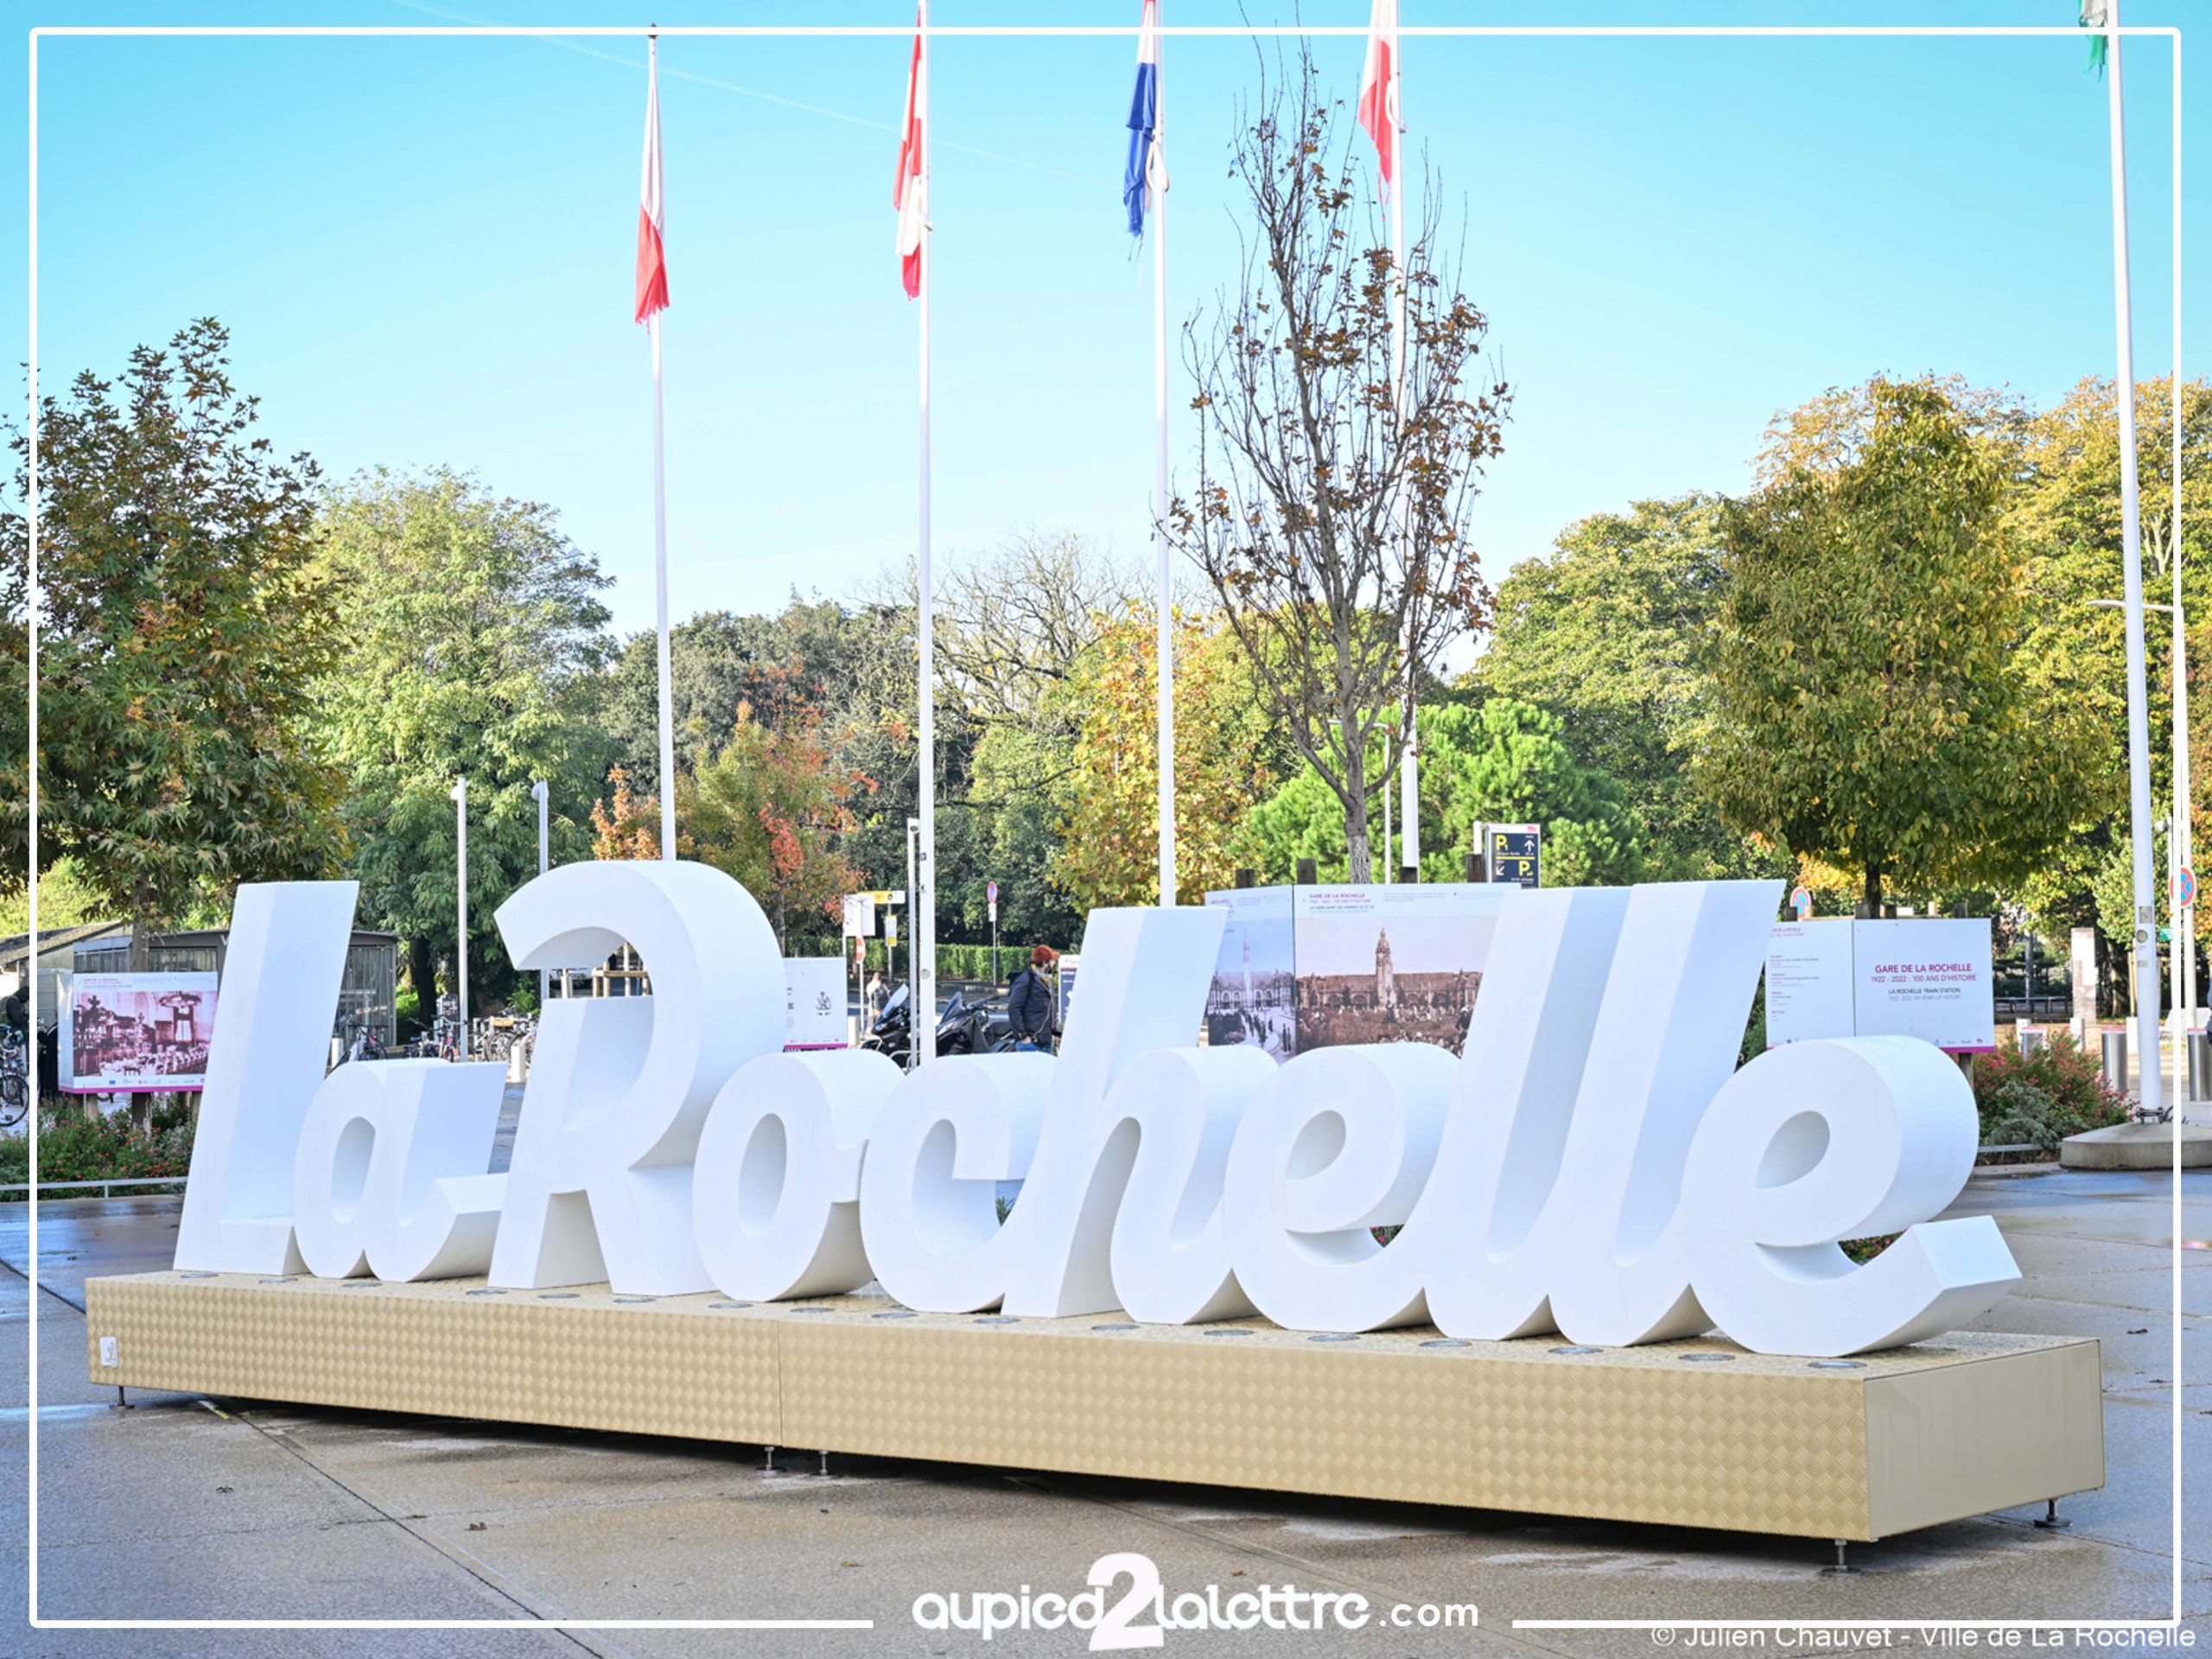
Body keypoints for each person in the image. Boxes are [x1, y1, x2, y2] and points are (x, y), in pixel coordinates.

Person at [1007, 945, 1058, 1051]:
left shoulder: (1045, 980)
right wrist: (1023, 1036)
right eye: (1053, 960)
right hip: (1031, 1044)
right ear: (1045, 963)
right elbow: (1014, 1007)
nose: (1055, 963)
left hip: (1045, 1042)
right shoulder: (1027, 979)